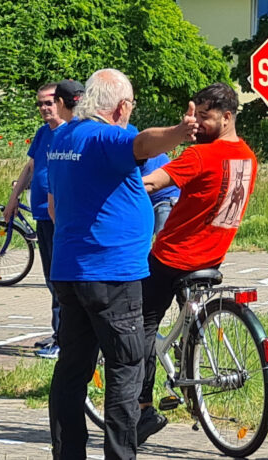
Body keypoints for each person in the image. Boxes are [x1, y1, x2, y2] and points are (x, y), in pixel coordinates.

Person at [46, 68, 198, 460]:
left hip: (70, 271)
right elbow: (143, 143)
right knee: (125, 372)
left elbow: (55, 203)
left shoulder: (62, 136)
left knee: (72, 370)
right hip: (112, 275)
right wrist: (180, 132)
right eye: (129, 109)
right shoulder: (107, 137)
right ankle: (119, 455)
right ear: (122, 106)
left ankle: (67, 454)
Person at [135, 82, 258, 444]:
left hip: (173, 255)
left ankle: (142, 408)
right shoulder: (248, 157)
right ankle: (190, 385)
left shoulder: (199, 156)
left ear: (227, 117)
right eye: (196, 117)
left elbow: (152, 184)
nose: (198, 124)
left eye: (205, 118)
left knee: (141, 325)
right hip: (211, 256)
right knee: (188, 322)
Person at [2, 79, 85, 359]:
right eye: (40, 104)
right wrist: (14, 198)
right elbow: (32, 165)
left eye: (49, 102)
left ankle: (64, 341)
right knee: (51, 277)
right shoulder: (43, 133)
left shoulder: (71, 133)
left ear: (61, 102)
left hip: (59, 216)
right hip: (41, 213)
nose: (44, 108)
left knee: (60, 280)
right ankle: (58, 334)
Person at [140, 153, 180, 235]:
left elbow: (138, 185)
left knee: (163, 240)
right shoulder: (155, 150)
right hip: (162, 201)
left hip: (166, 201)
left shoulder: (141, 157)